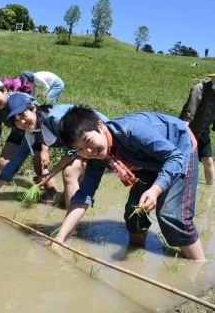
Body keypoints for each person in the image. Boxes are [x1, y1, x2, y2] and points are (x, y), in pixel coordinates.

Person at [51, 106, 205, 261]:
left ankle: (199, 264)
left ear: (100, 126)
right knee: (134, 214)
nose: (88, 151)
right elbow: (83, 195)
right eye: (80, 149)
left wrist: (155, 189)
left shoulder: (131, 131)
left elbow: (174, 157)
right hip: (147, 159)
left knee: (170, 214)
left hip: (178, 148)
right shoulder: (96, 160)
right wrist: (60, 237)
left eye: (89, 141)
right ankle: (136, 251)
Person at [0, 94, 108, 209]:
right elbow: (16, 160)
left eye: (23, 115)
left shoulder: (55, 119)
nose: (22, 122)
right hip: (82, 148)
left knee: (69, 173)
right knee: (63, 204)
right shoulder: (31, 133)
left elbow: (71, 152)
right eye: (16, 121)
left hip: (97, 138)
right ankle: (74, 220)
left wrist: (48, 176)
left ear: (33, 108)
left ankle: (72, 230)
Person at [0, 76, 57, 197]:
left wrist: (44, 150)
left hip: (36, 133)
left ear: (5, 90)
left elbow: (42, 121)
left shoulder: (21, 99)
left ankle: (52, 194)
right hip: (18, 133)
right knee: (2, 163)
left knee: (39, 166)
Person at [179, 74, 215, 185]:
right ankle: (177, 183)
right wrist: (183, 132)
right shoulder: (199, 89)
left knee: (208, 160)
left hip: (203, 132)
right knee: (182, 160)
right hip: (188, 129)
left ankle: (211, 189)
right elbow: (189, 113)